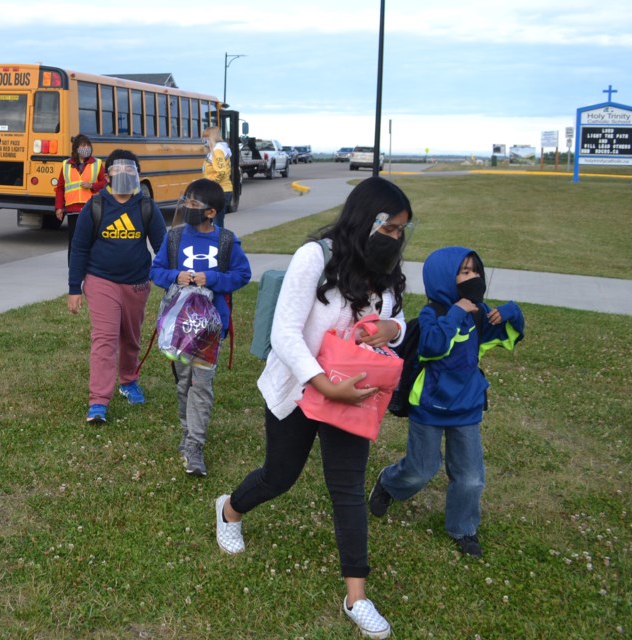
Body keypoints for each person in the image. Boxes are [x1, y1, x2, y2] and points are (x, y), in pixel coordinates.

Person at [215, 176, 413, 639]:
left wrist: (391, 330)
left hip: (353, 393)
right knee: (278, 476)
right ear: (368, 220)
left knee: (347, 490)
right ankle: (229, 511)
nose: (397, 239)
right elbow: (285, 332)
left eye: (404, 230)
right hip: (302, 390)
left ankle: (357, 597)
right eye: (391, 229)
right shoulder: (315, 256)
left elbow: (397, 317)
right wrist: (323, 383)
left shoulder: (387, 267)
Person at [368, 247, 524, 558]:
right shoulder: (433, 314)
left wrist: (511, 312)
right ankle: (388, 483)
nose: (473, 277)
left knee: (470, 476)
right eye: (464, 272)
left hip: (466, 406)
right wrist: (457, 311)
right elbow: (432, 346)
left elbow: (510, 333)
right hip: (430, 406)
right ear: (444, 279)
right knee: (421, 470)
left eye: (475, 270)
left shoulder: (478, 313)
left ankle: (463, 529)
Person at [149, 178, 252, 477]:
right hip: (179, 328)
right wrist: (175, 276)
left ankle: (195, 445)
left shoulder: (227, 242)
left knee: (201, 385)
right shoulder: (174, 238)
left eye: (194, 204)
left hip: (209, 329)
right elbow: (155, 271)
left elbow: (242, 274)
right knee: (183, 383)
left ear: (211, 212)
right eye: (187, 201)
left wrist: (214, 279)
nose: (188, 208)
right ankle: (186, 431)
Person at [67, 149, 166, 424]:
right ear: (107, 174)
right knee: (105, 338)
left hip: (136, 283)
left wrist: (174, 279)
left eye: (129, 170)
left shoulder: (146, 207)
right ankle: (98, 401)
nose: (123, 174)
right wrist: (75, 288)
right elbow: (79, 247)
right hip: (101, 281)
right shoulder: (95, 205)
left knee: (130, 338)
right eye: (117, 170)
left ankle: (128, 381)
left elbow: (163, 247)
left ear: (138, 174)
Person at [54, 134, 107, 265]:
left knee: (91, 239)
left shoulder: (97, 164)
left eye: (88, 146)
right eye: (83, 146)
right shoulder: (66, 165)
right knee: (74, 240)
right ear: (76, 148)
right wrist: (59, 207)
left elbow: (106, 183)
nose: (86, 148)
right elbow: (60, 187)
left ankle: (91, 266)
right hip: (73, 210)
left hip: (91, 208)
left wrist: (92, 186)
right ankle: (73, 266)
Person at [201, 126, 234, 229]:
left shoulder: (217, 151)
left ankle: (220, 244)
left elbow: (221, 172)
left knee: (216, 225)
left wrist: (209, 184)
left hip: (219, 192)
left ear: (211, 137)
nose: (203, 140)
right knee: (214, 224)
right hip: (221, 190)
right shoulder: (219, 150)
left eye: (206, 137)